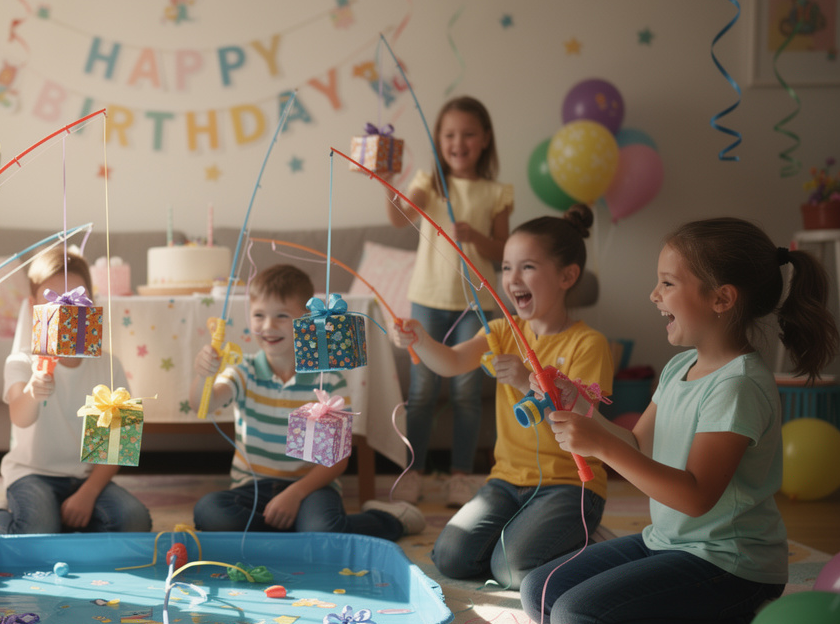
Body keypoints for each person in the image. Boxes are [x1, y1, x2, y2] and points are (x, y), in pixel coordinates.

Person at [521, 218, 838, 624]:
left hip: (731, 566)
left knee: (579, 621)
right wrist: (580, 407)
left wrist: (602, 445)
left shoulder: (738, 386)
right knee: (540, 590)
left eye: (667, 283)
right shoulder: (679, 368)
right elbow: (638, 447)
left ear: (722, 298)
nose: (654, 295)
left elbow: (695, 497)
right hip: (669, 542)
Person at [393, 205, 613, 590]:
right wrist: (420, 339)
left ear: (567, 276)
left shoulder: (588, 343)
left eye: (527, 267)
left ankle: (583, 537)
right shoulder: (502, 330)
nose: (512, 278)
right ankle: (529, 536)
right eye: (507, 267)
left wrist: (531, 382)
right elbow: (450, 362)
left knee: (510, 569)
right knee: (451, 557)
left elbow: (587, 420)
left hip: (571, 485)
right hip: (506, 482)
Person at [191, 264, 426, 540]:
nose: (268, 326)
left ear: (307, 321)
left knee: (322, 530)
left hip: (311, 489)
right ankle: (294, 533)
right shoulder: (244, 371)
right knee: (209, 511)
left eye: (281, 316)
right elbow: (202, 405)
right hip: (252, 488)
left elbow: (337, 461)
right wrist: (203, 375)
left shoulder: (328, 380)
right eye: (258, 315)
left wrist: (295, 494)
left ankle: (389, 520)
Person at [0, 247, 153, 535]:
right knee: (37, 531)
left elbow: (116, 445)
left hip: (83, 478)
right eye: (54, 301)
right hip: (31, 475)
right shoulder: (22, 361)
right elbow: (20, 416)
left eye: (77, 300)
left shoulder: (109, 366)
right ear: (33, 307)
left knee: (133, 521)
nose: (66, 312)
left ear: (91, 303)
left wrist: (89, 493)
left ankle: (59, 518)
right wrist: (33, 390)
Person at [383, 96, 513, 506]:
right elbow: (399, 215)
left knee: (465, 393)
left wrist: (476, 237)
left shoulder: (497, 191)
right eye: (450, 135)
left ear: (486, 139)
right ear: (439, 140)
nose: (459, 143)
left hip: (477, 306)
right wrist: (388, 183)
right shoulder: (428, 181)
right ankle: (413, 471)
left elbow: (503, 250)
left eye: (469, 134)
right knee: (422, 392)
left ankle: (460, 475)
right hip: (427, 301)